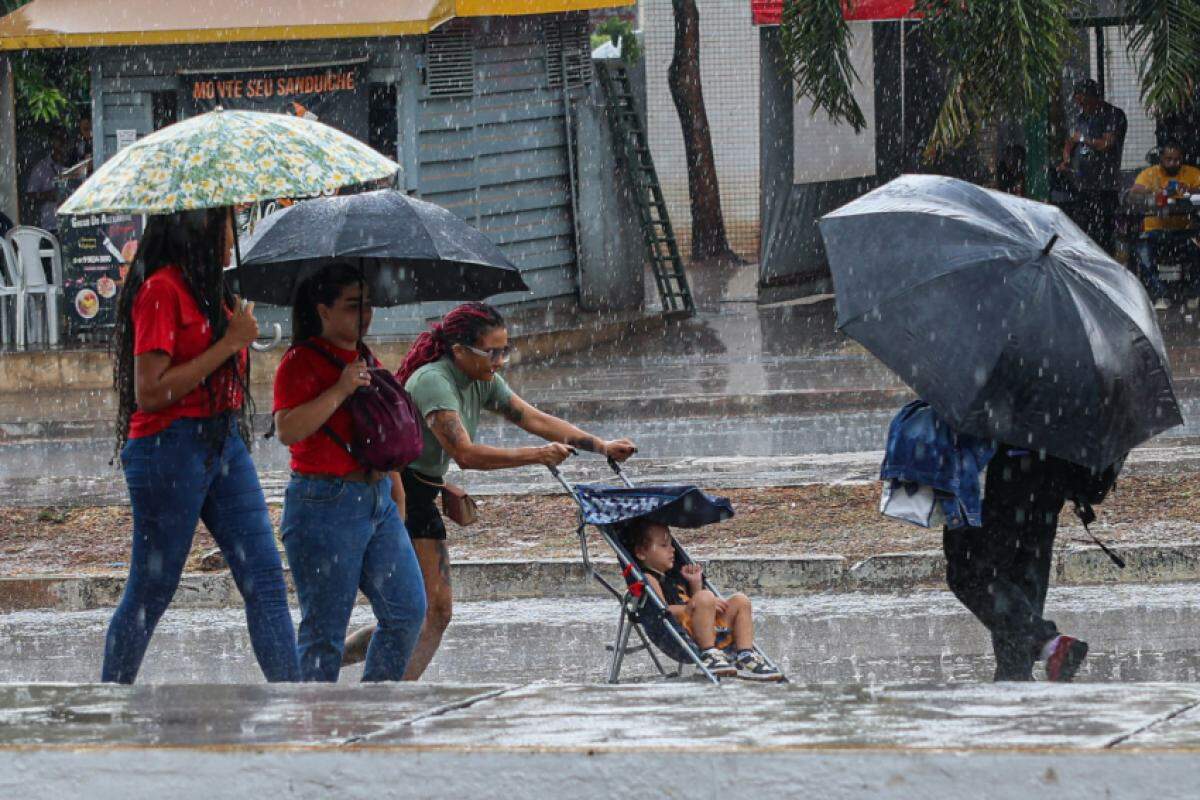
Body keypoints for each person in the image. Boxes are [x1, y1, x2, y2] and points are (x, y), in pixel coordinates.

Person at [342, 302, 638, 678]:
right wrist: (538, 455)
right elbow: (465, 453)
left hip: (422, 493)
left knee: (432, 611)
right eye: (492, 352)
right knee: (420, 612)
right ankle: (372, 680)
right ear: (460, 350)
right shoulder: (434, 380)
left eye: (505, 350)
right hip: (396, 495)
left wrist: (600, 445)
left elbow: (531, 416)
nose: (500, 360)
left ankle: (384, 681)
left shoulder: (482, 379)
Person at [102, 208, 298, 684]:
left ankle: (298, 707)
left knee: (266, 580)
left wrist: (233, 336)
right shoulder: (161, 291)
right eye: (228, 225)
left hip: (222, 441)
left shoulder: (211, 291)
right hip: (168, 449)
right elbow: (149, 391)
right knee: (152, 589)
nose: (233, 237)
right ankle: (109, 700)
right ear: (202, 229)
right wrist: (228, 344)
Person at [272, 262, 427, 682]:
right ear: (323, 310)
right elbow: (287, 429)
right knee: (323, 635)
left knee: (409, 612)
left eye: (369, 305)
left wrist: (395, 491)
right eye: (353, 306)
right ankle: (316, 733)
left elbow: (377, 437)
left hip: (377, 501)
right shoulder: (299, 361)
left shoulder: (364, 356)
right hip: (325, 505)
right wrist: (340, 388)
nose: (365, 315)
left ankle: (374, 711)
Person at [942, 446, 1089, 683]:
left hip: (1016, 464)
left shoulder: (1016, 417)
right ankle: (1014, 679)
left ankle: (1048, 643)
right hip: (1055, 469)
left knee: (969, 572)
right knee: (1023, 577)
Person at [626, 518, 782, 681]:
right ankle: (709, 654)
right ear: (641, 552)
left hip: (709, 629)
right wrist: (696, 604)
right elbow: (662, 611)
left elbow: (697, 603)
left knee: (740, 600)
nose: (672, 550)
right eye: (664, 546)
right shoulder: (648, 578)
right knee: (706, 596)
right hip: (684, 635)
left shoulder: (674, 576)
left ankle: (745, 655)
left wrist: (695, 584)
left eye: (672, 544)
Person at [1057, 78, 1127, 253]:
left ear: (1095, 98)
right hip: (1083, 185)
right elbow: (1070, 141)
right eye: (1079, 103)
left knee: (1104, 233)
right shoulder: (1082, 117)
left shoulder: (1113, 115)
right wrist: (1066, 159)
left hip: (1105, 185)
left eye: (1085, 102)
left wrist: (1083, 139)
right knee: (1085, 232)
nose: (1082, 107)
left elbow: (1106, 144)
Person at [1128, 140, 1200, 307]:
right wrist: (1155, 191)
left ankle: (1193, 294)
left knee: (1196, 248)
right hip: (1156, 229)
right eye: (1169, 159)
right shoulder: (1150, 174)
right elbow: (1133, 193)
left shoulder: (1191, 173)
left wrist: (1189, 190)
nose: (1173, 163)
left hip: (1184, 230)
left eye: (1177, 159)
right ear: (1161, 158)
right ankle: (1161, 294)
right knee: (1141, 250)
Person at [25, 129, 69, 233]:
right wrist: (47, 195)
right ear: (51, 143)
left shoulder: (73, 164)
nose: (61, 144)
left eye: (64, 140)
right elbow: (30, 196)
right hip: (50, 226)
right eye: (58, 140)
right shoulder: (41, 168)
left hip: (72, 223)